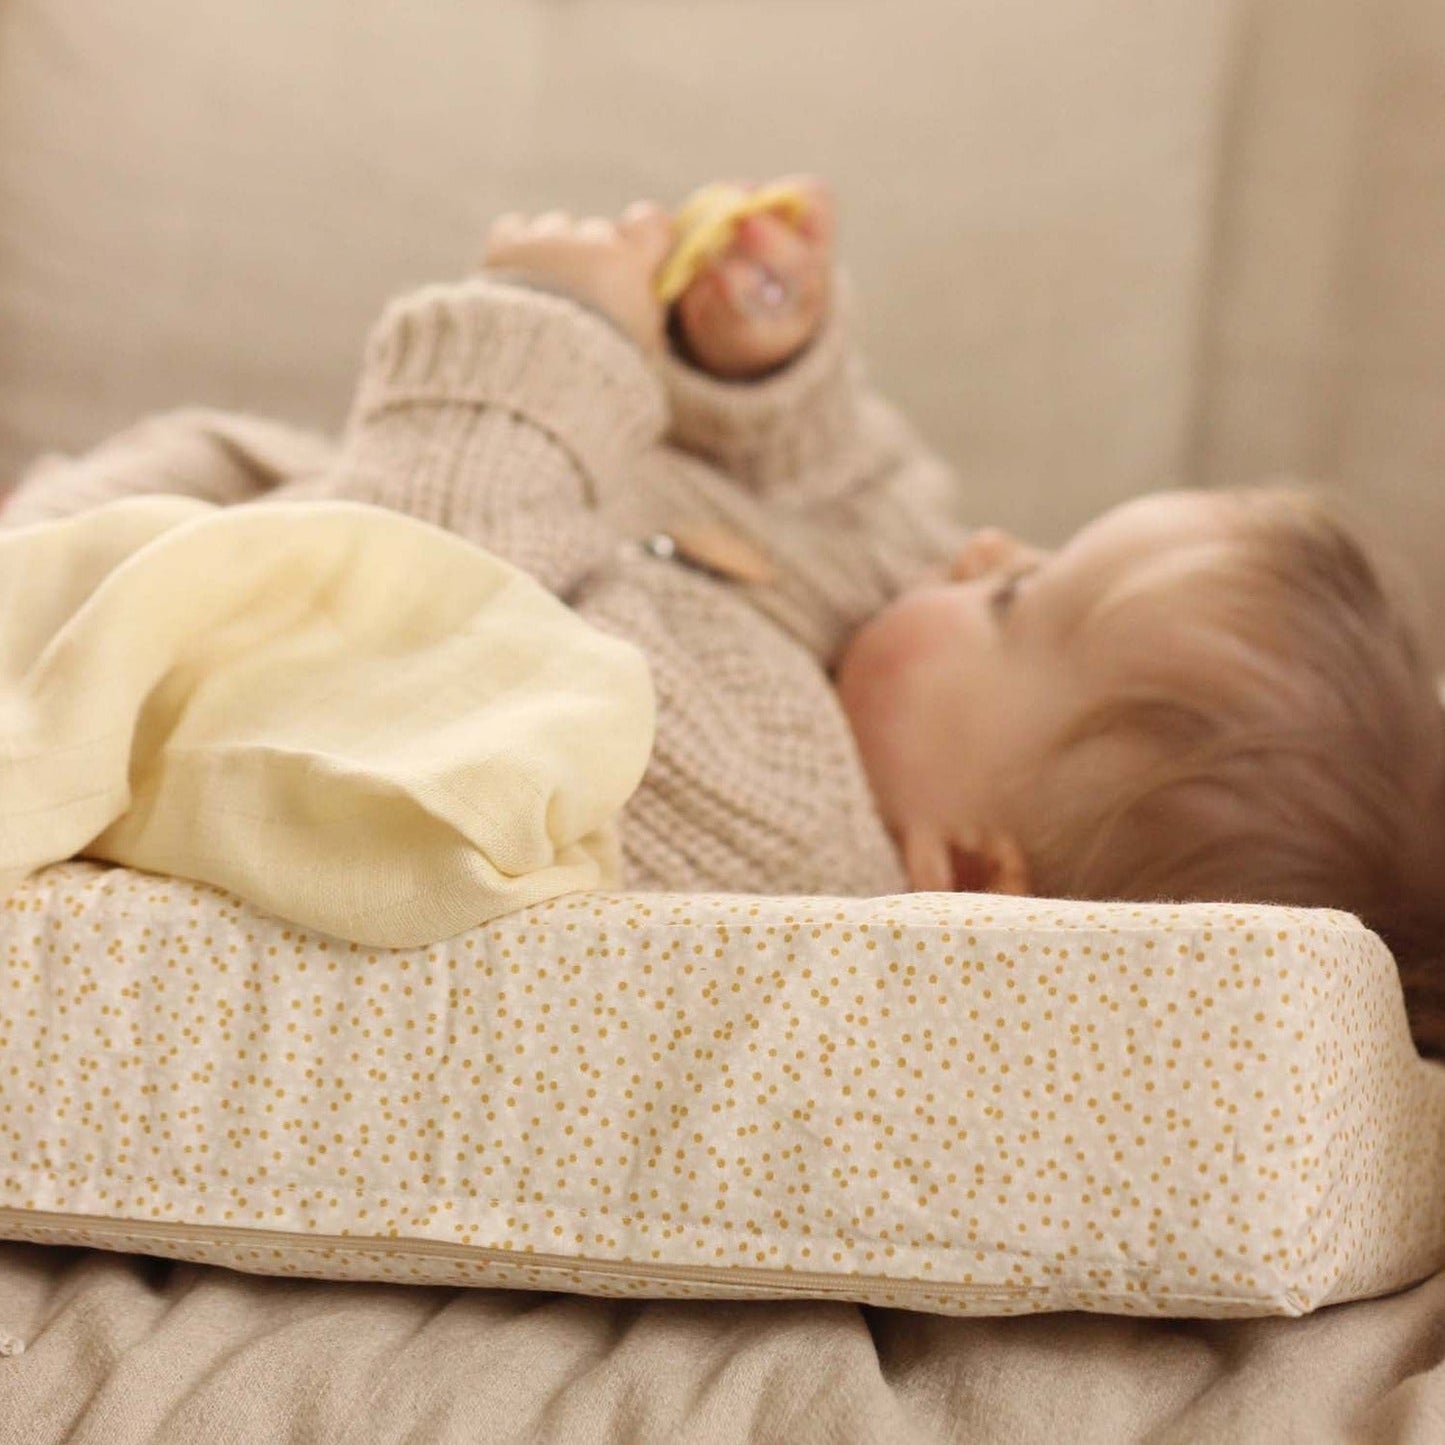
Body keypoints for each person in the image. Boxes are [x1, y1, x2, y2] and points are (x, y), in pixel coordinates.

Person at [6, 176, 1444, 1050]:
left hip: (124, 626)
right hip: (182, 513)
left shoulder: (773, 809)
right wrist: (765, 368)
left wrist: (546, 332)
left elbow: (431, 601)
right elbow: (860, 502)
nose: (977, 548)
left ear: (969, 875)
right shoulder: (896, 672)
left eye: (1018, 597)